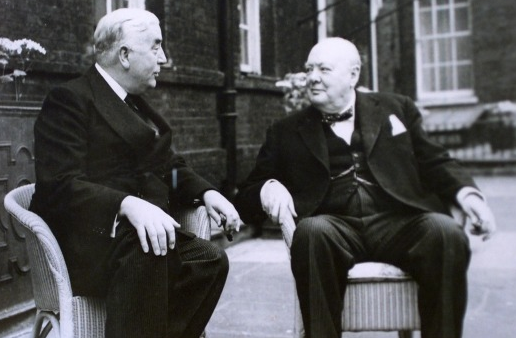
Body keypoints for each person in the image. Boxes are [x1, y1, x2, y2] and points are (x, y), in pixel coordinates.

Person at [235, 37, 496, 338]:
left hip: (398, 223)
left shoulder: (396, 108)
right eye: (309, 69)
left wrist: (470, 196)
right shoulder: (285, 131)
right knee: (311, 233)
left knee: (446, 233)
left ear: (353, 75)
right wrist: (268, 188)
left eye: (324, 69)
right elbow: (246, 196)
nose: (313, 77)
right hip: (336, 228)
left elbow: (435, 161)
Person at [30, 8, 241, 338]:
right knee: (151, 250)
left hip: (141, 238)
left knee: (209, 261)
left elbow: (167, 167)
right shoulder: (70, 100)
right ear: (124, 55)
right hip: (90, 243)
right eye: (156, 47)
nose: (165, 58)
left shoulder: (137, 104)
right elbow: (57, 185)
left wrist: (207, 193)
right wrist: (126, 204)